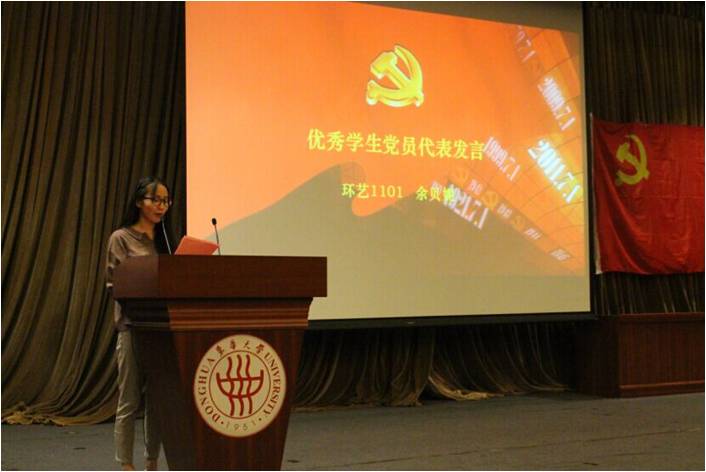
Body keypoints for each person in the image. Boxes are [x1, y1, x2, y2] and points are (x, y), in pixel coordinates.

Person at [105, 177, 173, 471]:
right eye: (155, 199)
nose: (161, 206)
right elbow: (114, 284)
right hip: (132, 327)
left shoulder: (165, 240)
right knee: (129, 400)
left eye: (165, 201)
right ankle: (125, 465)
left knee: (157, 402)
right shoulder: (120, 238)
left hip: (160, 329)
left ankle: (151, 461)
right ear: (137, 202)